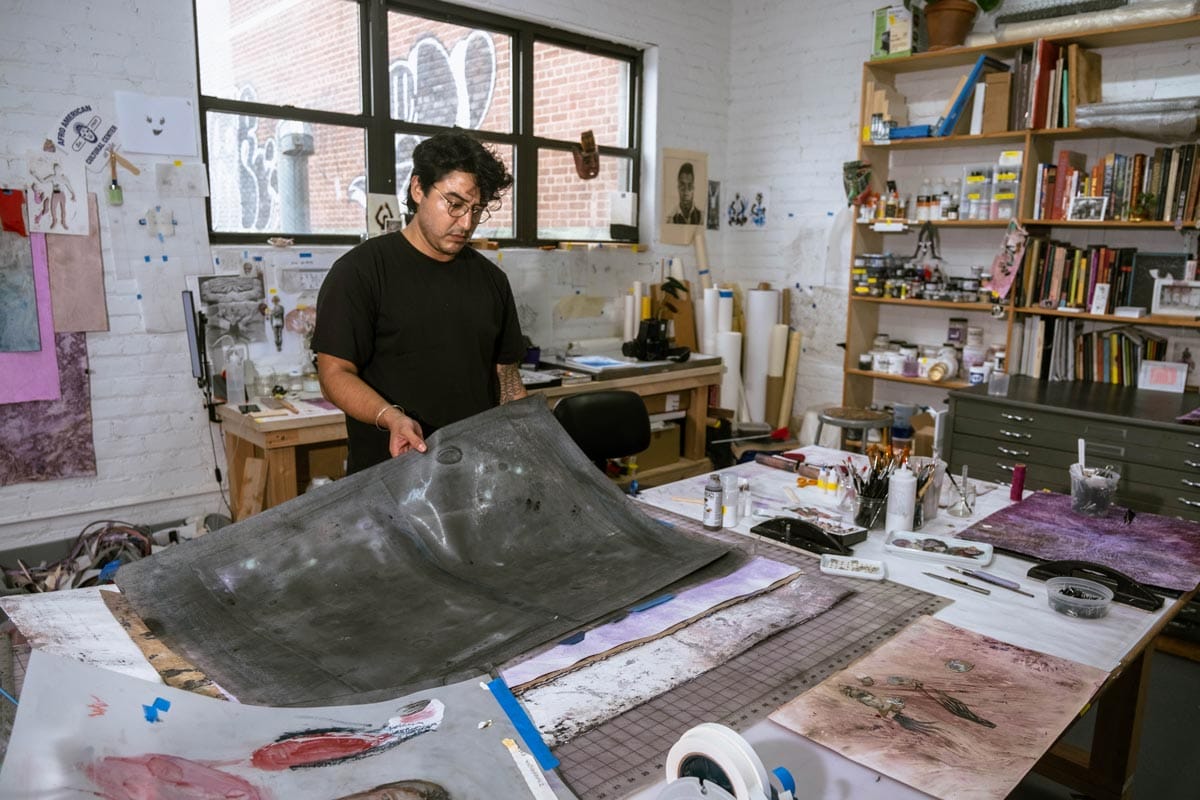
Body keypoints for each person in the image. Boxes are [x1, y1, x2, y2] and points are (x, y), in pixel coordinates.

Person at [312, 131, 526, 474]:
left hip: (473, 473)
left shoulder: (492, 281)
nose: (466, 223)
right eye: (454, 204)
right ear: (418, 189)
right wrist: (390, 416)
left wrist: (527, 440)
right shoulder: (360, 272)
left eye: (477, 210)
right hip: (389, 477)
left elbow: (507, 377)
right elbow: (334, 373)